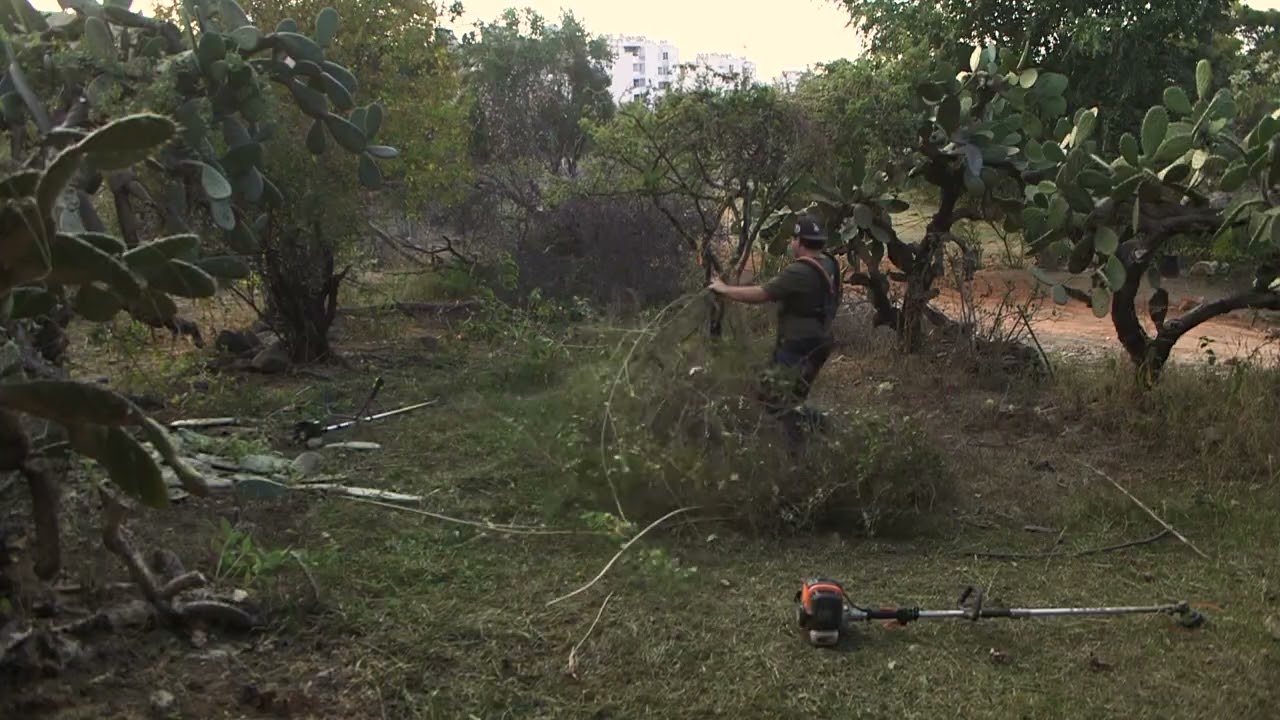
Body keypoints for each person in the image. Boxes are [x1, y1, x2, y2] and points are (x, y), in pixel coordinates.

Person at [707, 215, 842, 448]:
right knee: (790, 397)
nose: (791, 243)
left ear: (800, 242)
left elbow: (762, 293)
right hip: (820, 342)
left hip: (797, 346)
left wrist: (724, 289)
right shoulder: (829, 264)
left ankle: (815, 429)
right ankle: (807, 437)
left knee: (775, 400)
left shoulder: (800, 271)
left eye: (793, 239)